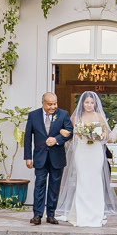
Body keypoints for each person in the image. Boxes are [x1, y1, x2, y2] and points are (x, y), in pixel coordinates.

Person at [57, 91, 115, 229]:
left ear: (95, 104)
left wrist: (98, 136)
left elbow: (107, 134)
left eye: (92, 102)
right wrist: (78, 134)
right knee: (82, 180)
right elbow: (71, 136)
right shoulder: (76, 117)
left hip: (95, 151)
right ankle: (82, 214)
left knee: (95, 180)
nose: (89, 105)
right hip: (82, 151)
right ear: (82, 103)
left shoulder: (99, 116)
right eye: (87, 102)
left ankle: (95, 214)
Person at [22, 92, 73, 224]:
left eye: (55, 104)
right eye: (50, 104)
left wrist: (56, 139)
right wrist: (28, 157)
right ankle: (37, 215)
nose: (53, 107)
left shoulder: (63, 114)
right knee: (39, 185)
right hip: (40, 157)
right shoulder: (33, 115)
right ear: (43, 103)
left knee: (54, 186)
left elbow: (70, 132)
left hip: (57, 157)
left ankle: (51, 214)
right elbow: (27, 138)